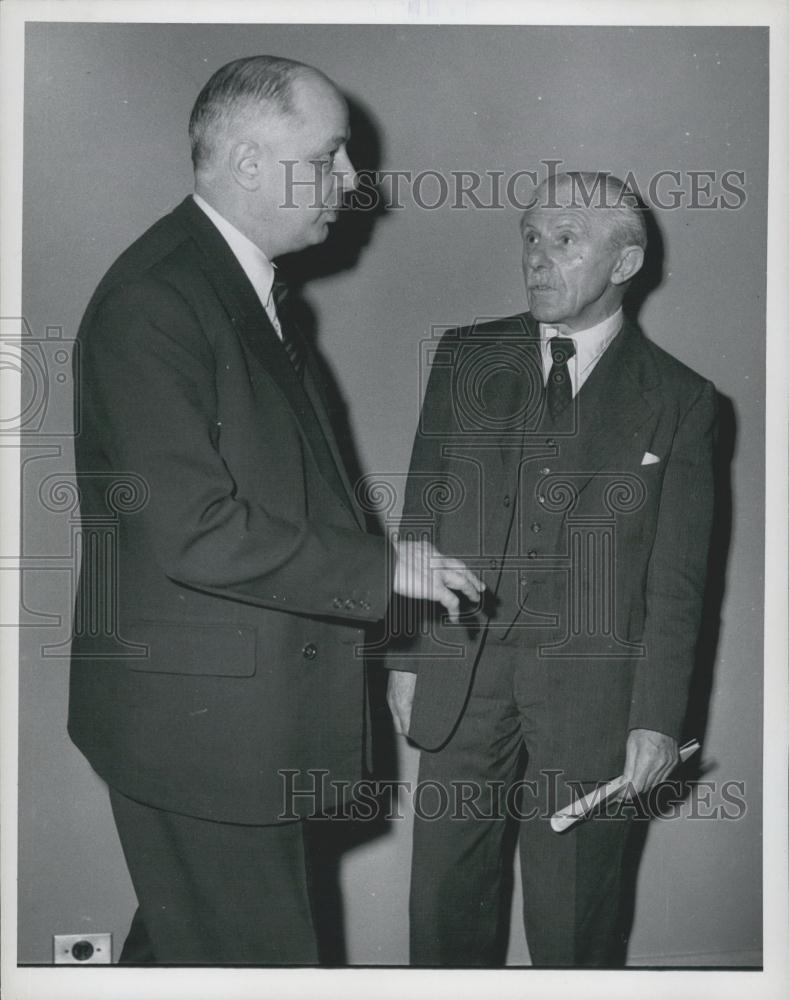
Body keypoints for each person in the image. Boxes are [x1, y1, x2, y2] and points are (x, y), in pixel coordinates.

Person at [67, 55, 482, 966]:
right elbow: (193, 529)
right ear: (250, 163)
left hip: (228, 728)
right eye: (329, 156)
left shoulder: (236, 291)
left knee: (190, 948)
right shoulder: (156, 301)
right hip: (206, 741)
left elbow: (290, 499)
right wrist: (387, 570)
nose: (354, 180)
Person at [387, 172, 717, 967]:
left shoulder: (681, 400)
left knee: (574, 927)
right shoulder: (465, 357)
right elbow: (422, 515)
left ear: (624, 261)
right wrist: (404, 656)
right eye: (530, 237)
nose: (537, 257)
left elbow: (677, 585)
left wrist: (655, 718)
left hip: (593, 697)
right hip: (462, 673)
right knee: (442, 911)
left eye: (564, 240)